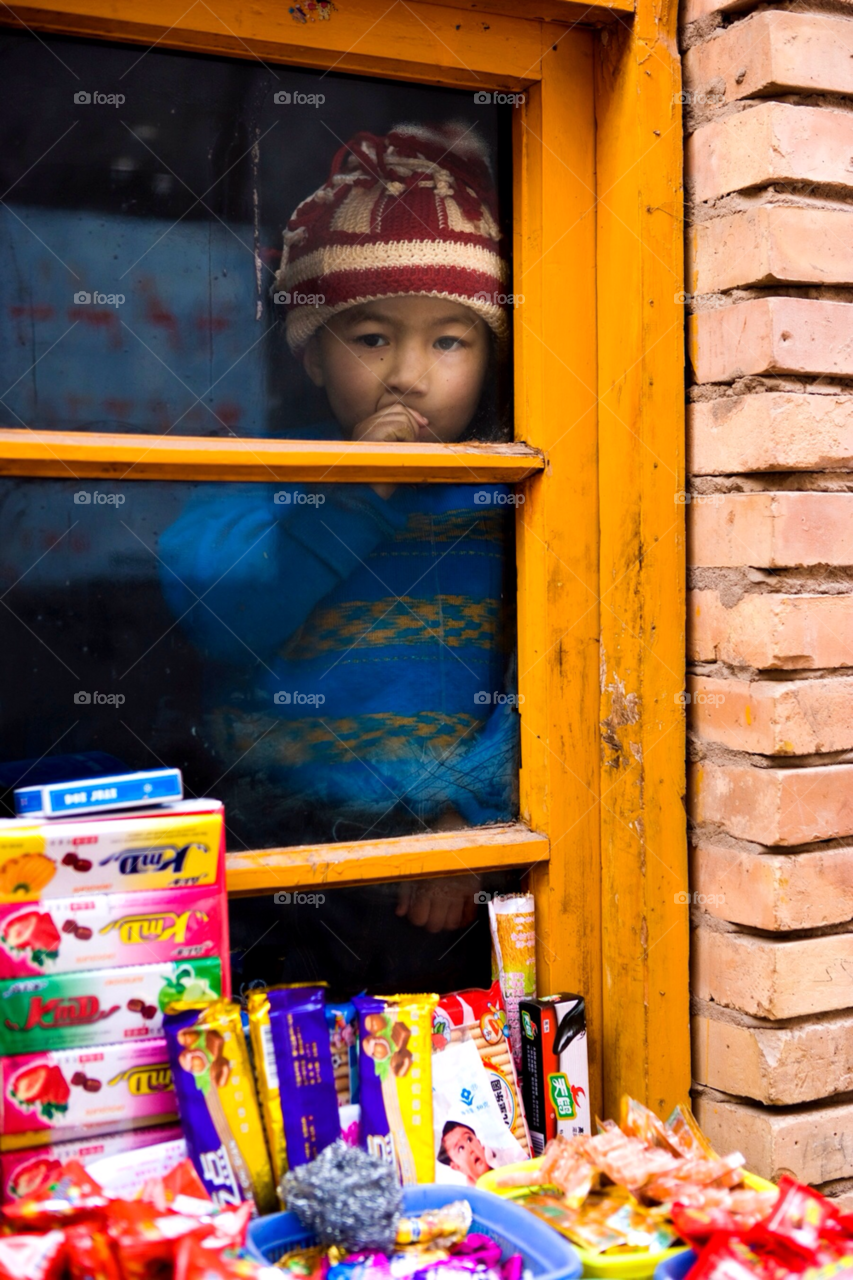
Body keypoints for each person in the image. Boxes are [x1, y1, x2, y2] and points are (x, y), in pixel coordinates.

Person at [157, 123, 520, 991]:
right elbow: (220, 613)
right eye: (370, 339)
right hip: (271, 849)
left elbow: (548, 678)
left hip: (434, 869)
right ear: (313, 355)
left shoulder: (509, 492)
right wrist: (354, 492)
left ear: (490, 355)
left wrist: (472, 824)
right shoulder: (264, 475)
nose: (407, 376)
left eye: (449, 340)